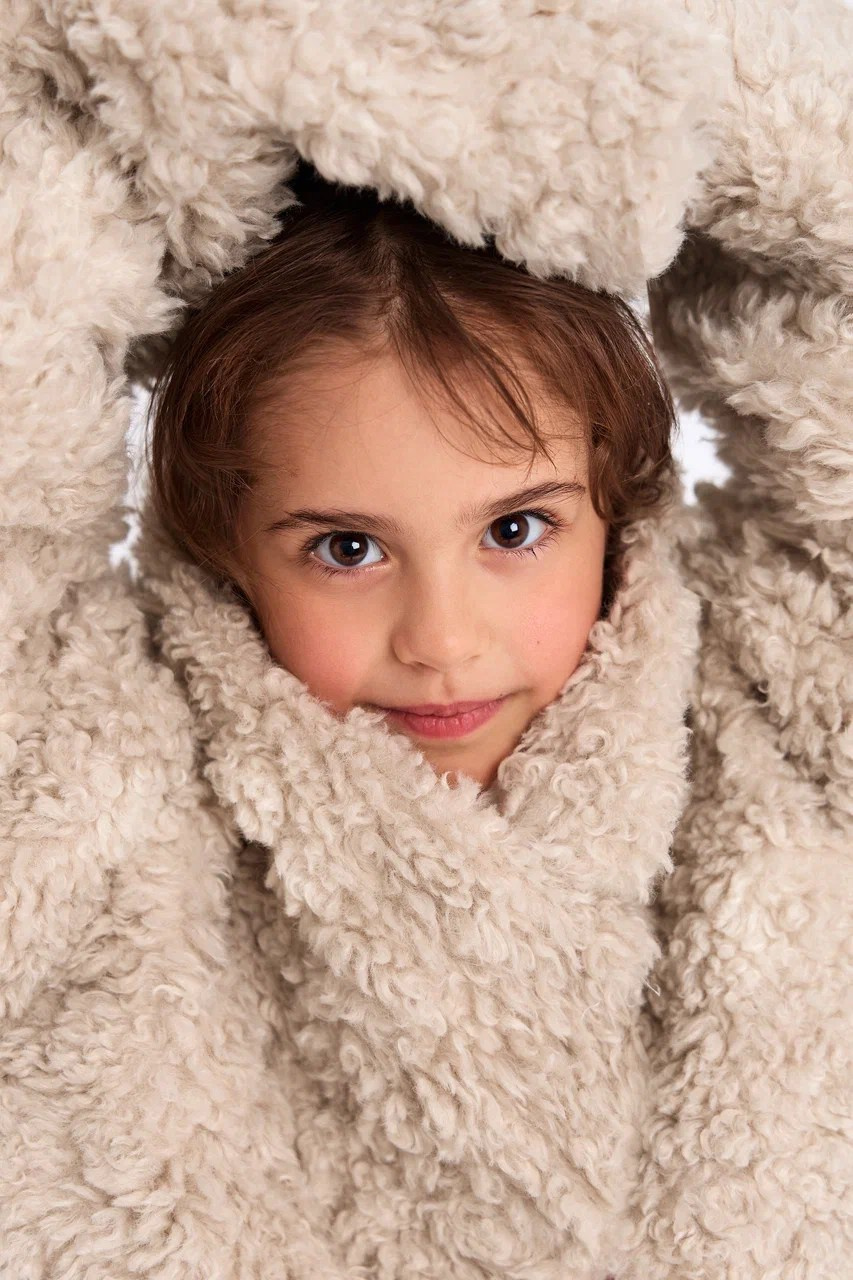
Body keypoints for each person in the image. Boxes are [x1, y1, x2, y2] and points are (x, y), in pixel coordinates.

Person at [1, 2, 849, 1278]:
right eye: (347, 548)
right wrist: (215, 64)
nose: (442, 641)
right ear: (223, 533)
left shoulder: (783, 716)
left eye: (515, 528)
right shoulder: (86, 781)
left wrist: (624, 98)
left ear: (617, 494)